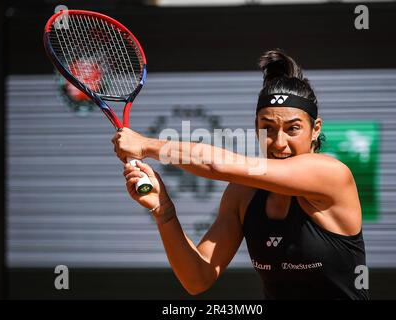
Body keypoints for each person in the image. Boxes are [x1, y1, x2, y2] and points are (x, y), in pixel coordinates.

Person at [112, 49, 369, 300]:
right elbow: (197, 278)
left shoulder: (331, 175)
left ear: (315, 130)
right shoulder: (241, 195)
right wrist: (164, 212)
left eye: (293, 129)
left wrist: (146, 145)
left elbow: (218, 166)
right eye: (267, 128)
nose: (279, 143)